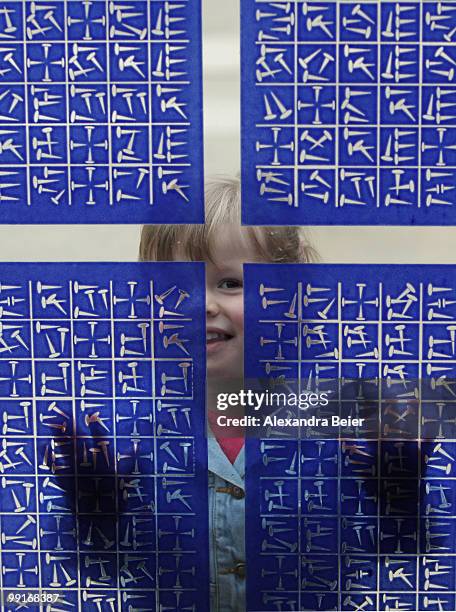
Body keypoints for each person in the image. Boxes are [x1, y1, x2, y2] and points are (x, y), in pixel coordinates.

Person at [139, 176, 318, 611]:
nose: (201, 305)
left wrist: (398, 485)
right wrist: (86, 504)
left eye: (230, 283)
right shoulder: (132, 429)